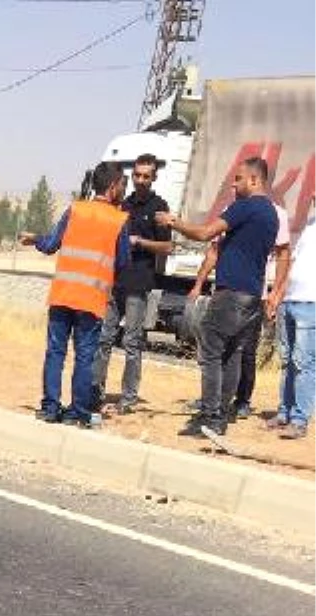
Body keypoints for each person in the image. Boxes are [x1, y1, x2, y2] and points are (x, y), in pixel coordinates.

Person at [156, 157, 279, 437]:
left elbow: (204, 233)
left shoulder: (245, 207)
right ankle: (220, 417)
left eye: (238, 179)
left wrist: (172, 221)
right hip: (251, 294)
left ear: (254, 180)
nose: (233, 185)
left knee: (210, 353)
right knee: (232, 355)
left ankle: (210, 416)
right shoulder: (270, 213)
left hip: (231, 293)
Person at [20, 161, 131, 426]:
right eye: (122, 185)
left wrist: (34, 238)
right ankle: (76, 412)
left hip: (63, 294)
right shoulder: (119, 219)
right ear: (113, 186)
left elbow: (50, 245)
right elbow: (124, 263)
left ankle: (49, 408)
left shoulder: (75, 210)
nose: (123, 190)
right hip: (92, 300)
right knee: (85, 356)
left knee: (55, 352)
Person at [92, 154, 173, 415]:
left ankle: (128, 398)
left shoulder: (159, 208)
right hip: (115, 281)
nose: (140, 180)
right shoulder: (122, 205)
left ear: (154, 178)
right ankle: (95, 391)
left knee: (132, 342)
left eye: (145, 176)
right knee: (104, 338)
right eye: (137, 175)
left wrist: (140, 242)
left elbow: (167, 247)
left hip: (140, 283)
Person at [231, 200, 292, 418]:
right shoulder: (231, 210)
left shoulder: (276, 214)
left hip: (255, 293)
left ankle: (243, 400)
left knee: (247, 349)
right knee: (222, 348)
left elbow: (283, 253)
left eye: (240, 179)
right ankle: (215, 397)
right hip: (228, 290)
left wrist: (275, 293)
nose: (234, 186)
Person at [266, 206, 316, 439]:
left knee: (304, 362)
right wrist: (278, 295)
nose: (314, 195)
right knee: (287, 360)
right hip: (292, 299)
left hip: (311, 303)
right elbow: (293, 264)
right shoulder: (311, 224)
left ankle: (299, 419)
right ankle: (284, 412)